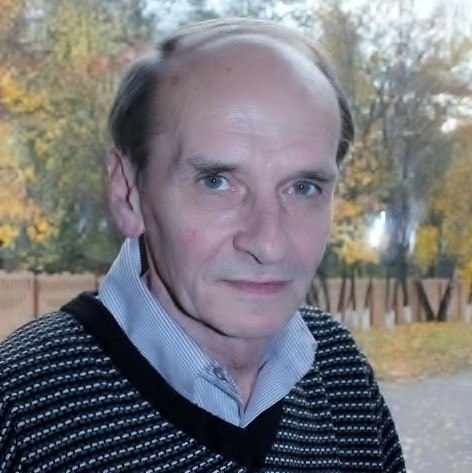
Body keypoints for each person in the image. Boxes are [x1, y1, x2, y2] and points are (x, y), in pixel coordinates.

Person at [0, 18, 406, 472]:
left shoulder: (340, 373)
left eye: (303, 188)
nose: (269, 244)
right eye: (216, 182)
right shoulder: (19, 413)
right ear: (128, 194)